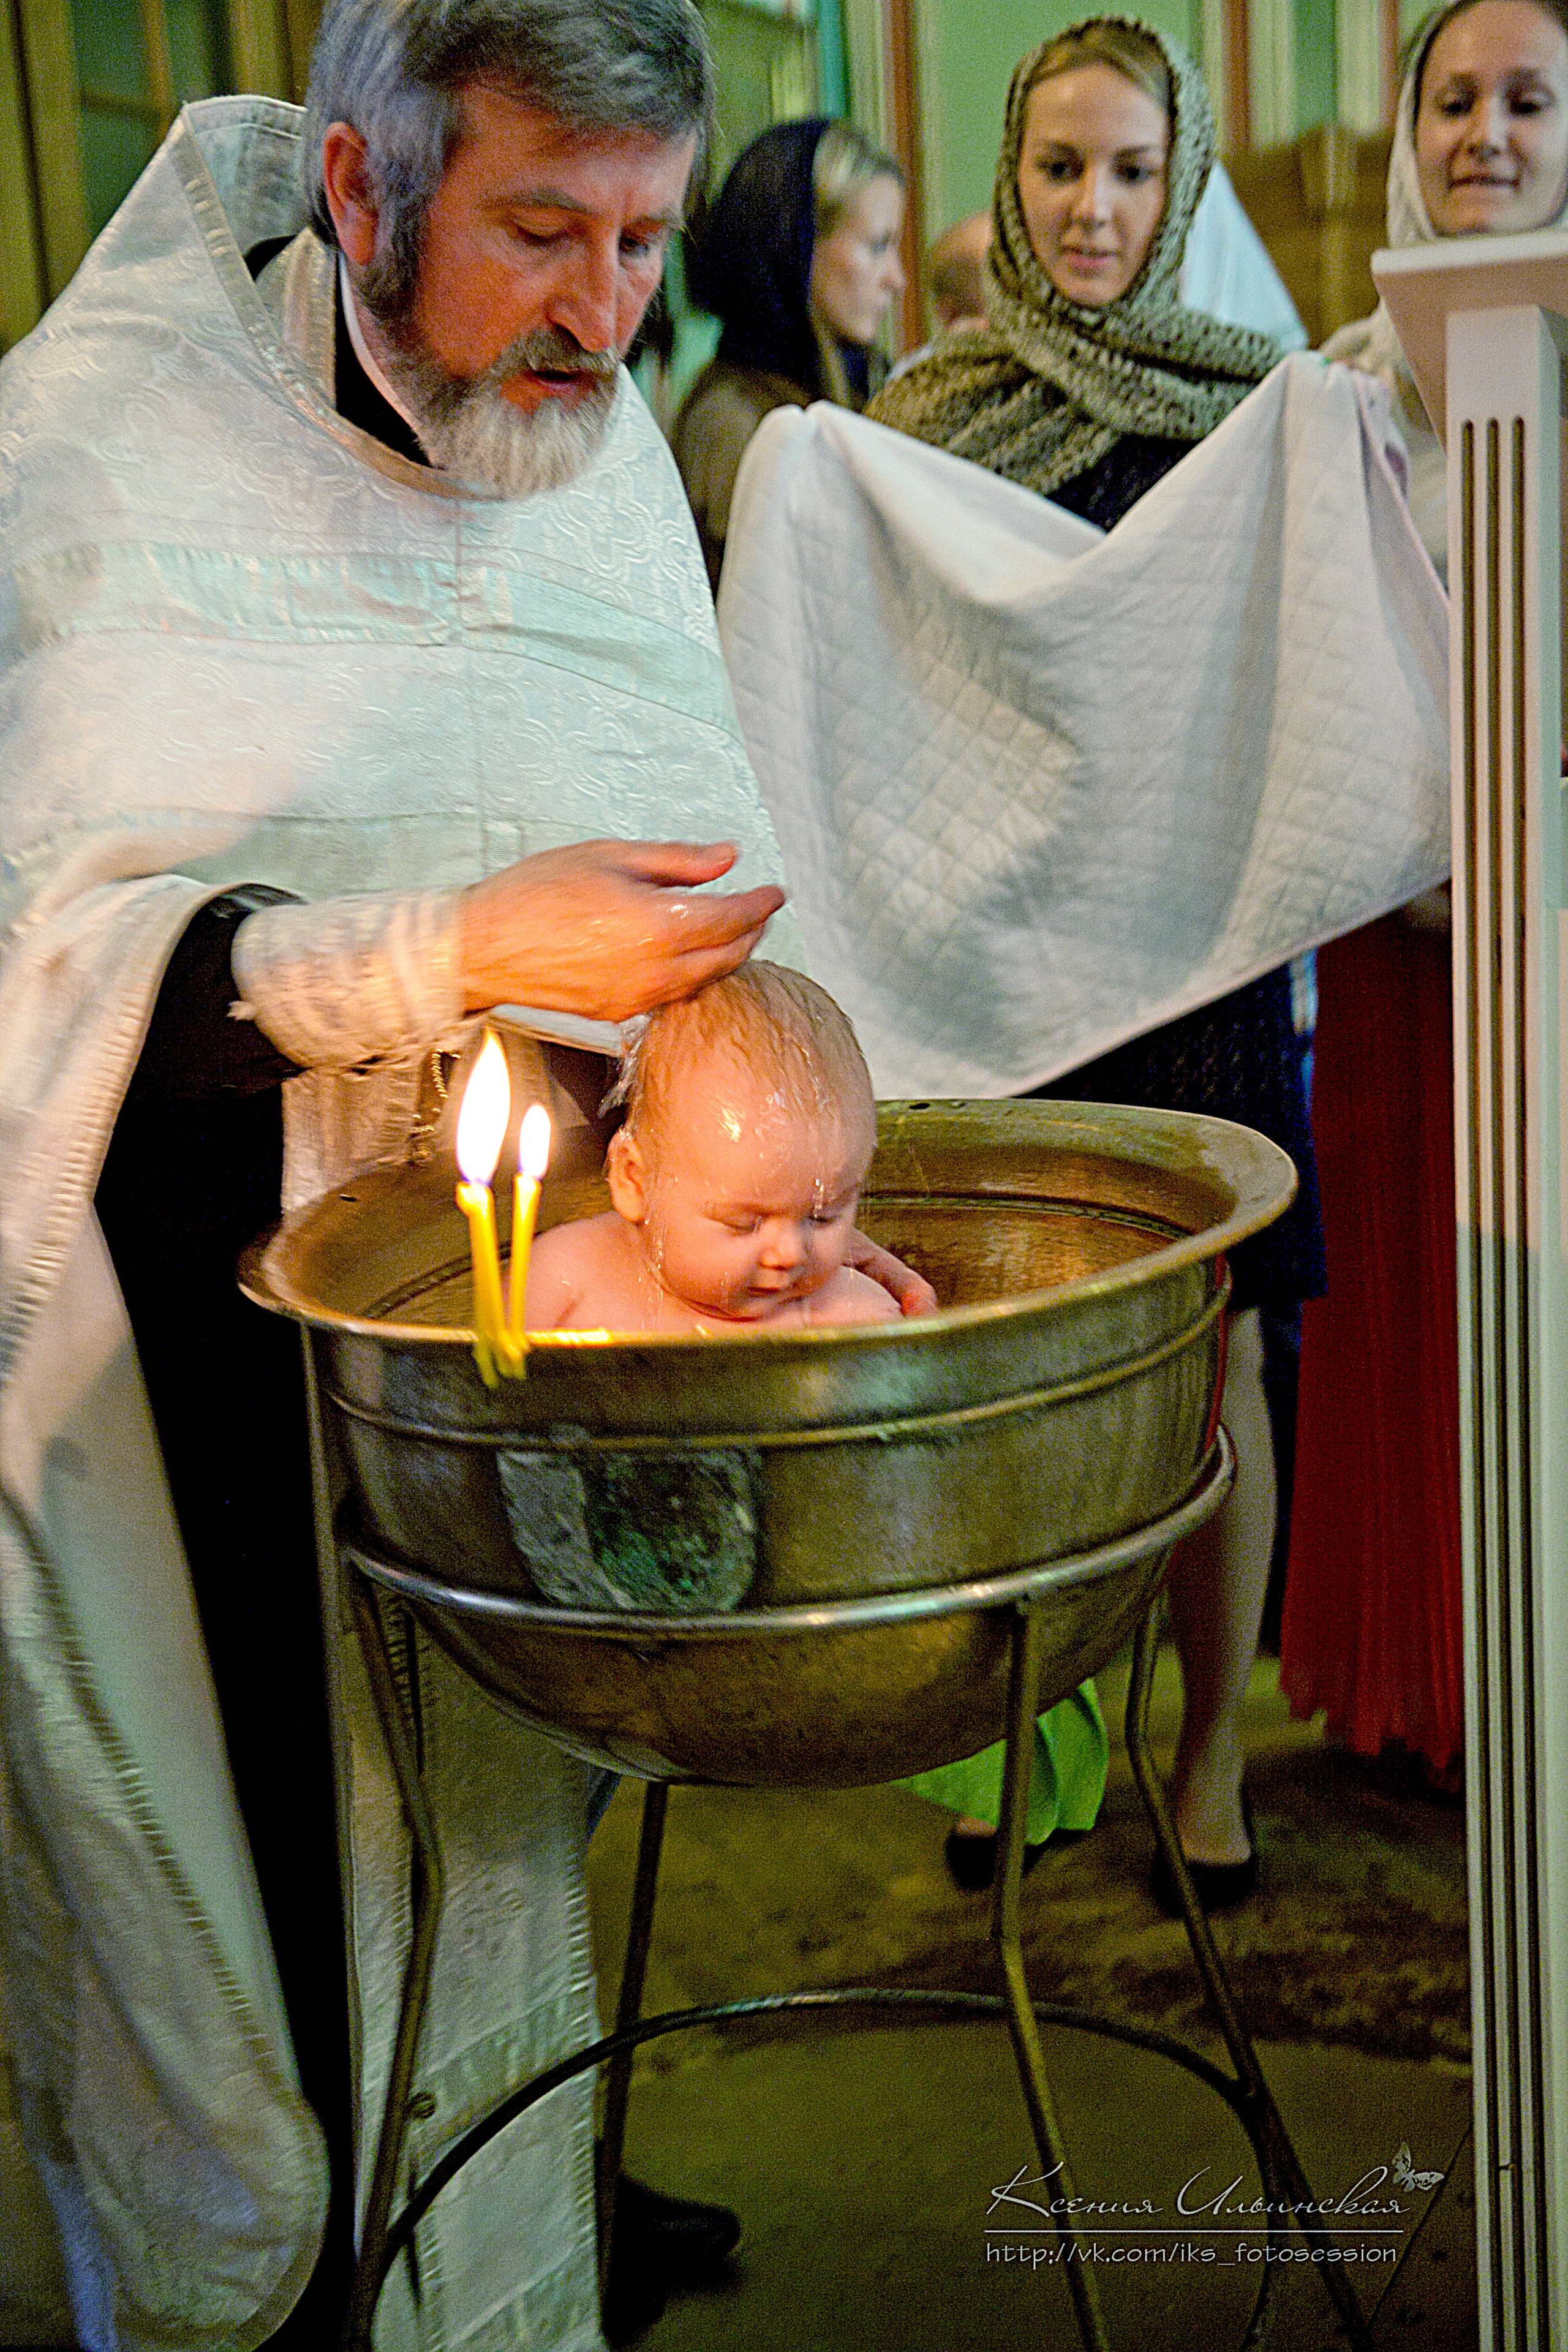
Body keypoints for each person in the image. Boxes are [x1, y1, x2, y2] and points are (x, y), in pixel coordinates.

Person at [0, 4, 935, 2346]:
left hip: (519, 1374)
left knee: (515, 1918)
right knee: (292, 2023)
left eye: (637, 236)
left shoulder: (584, 444)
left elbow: (694, 884)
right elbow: (41, 977)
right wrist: (444, 947)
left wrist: (766, 1189)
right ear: (355, 188)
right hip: (202, 1382)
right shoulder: (88, 455)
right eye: (538, 229)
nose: (606, 311)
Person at [870, 20, 1325, 1909]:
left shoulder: (1249, 417)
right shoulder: (924, 413)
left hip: (1196, 955)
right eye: (1059, 168)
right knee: (1017, 1366)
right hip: (1004, 950)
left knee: (1215, 1350)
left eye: (1129, 171)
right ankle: (1013, 1732)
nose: (1089, 208)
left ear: (1183, 179)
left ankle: (1209, 1747)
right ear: (1008, 174)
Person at [1280, 0, 1568, 1788]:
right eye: (1452, 97)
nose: (1484, 131)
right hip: (1395, 942)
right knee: (1412, 1306)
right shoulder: (1339, 381)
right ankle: (1438, 1686)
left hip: (1558, 931)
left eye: (1526, 99)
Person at [530, 963, 901, 1332]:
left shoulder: (851, 1316)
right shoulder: (566, 1280)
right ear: (635, 1181)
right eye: (744, 1223)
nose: (791, 1253)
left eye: (823, 1216)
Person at [673, 117, 905, 587]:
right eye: (877, 246)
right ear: (794, 245)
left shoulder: (874, 383)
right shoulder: (730, 420)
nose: (896, 279)